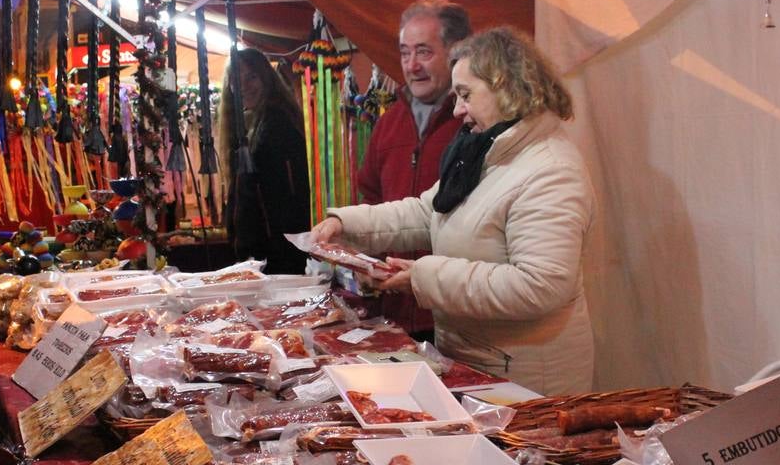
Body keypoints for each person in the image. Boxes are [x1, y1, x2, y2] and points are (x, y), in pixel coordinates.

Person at [312, 27, 595, 396]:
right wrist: (345, 223)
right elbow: (426, 212)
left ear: (506, 88)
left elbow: (539, 286)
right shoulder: (486, 151)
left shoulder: (550, 169)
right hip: (479, 358)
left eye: (465, 95)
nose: (458, 109)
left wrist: (423, 276)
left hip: (528, 378)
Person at [355, 0, 470, 339]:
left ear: (455, 52)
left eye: (424, 52)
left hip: (456, 316)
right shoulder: (389, 124)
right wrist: (364, 262)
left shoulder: (475, 125)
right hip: (395, 311)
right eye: (405, 53)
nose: (412, 65)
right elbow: (372, 198)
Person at [218, 48, 311, 274]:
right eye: (236, 81)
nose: (244, 86)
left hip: (278, 255)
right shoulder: (257, 124)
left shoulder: (276, 125)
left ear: (265, 78)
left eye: (251, 77)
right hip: (273, 252)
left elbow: (282, 198)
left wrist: (254, 246)